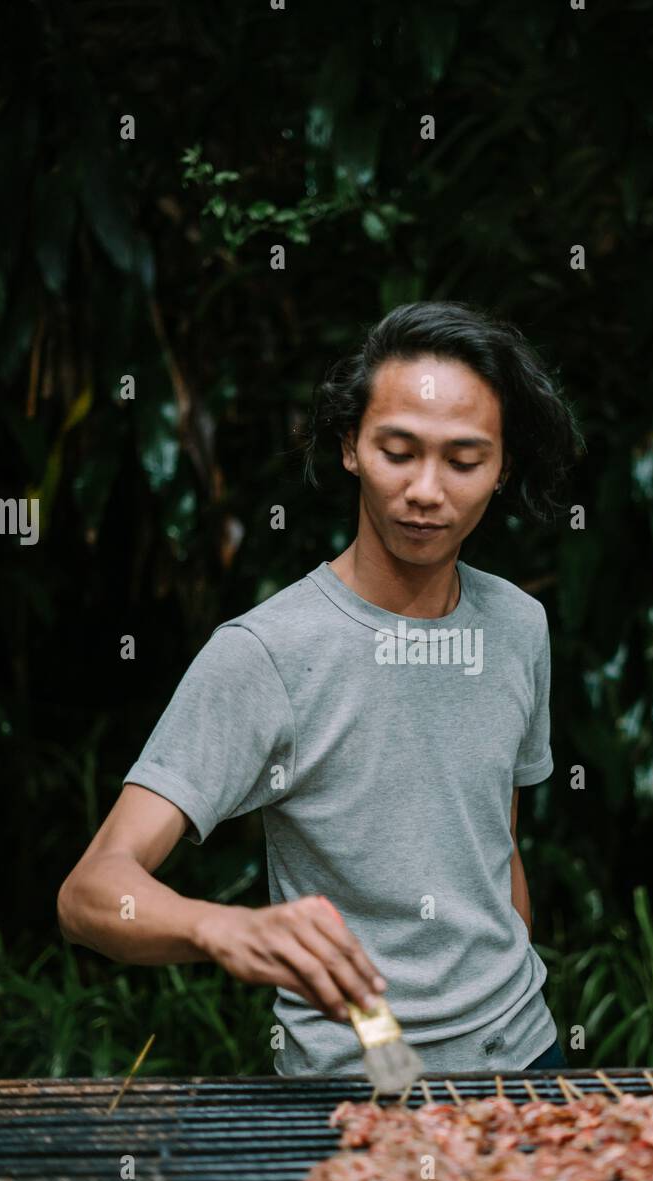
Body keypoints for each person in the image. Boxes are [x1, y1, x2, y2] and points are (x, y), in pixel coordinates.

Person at [57, 301, 582, 1076]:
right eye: (397, 451)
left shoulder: (518, 625)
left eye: (464, 462)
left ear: (502, 468)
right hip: (362, 1081)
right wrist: (221, 929)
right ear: (350, 448)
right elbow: (90, 893)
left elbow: (496, 850)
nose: (426, 490)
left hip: (529, 1054)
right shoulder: (266, 654)